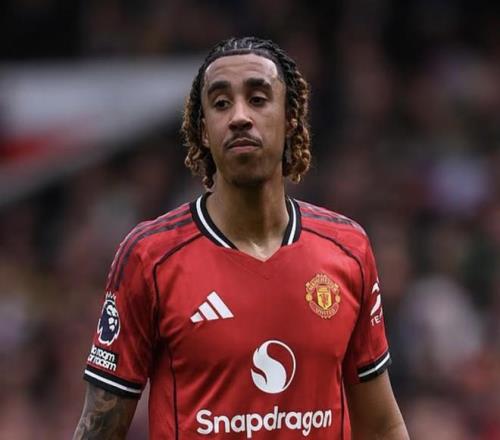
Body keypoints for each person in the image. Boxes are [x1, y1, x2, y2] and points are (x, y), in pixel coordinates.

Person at [73, 36, 409, 439]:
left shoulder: (347, 250)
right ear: (204, 130)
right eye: (220, 103)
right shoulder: (150, 257)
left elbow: (382, 426)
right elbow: (99, 430)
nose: (239, 117)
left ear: (290, 118)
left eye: (258, 99)